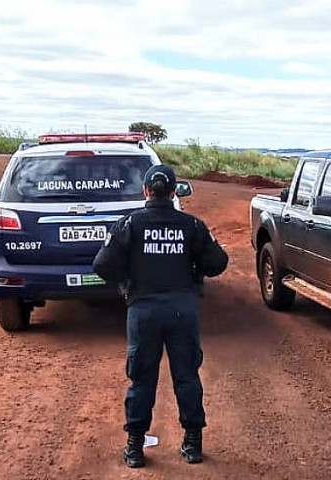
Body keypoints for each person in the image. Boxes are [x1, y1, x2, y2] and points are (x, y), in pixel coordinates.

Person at [93, 165, 228, 468]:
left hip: (143, 312)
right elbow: (218, 262)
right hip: (183, 311)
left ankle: (135, 448)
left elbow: (102, 265)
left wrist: (127, 279)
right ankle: (192, 445)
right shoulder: (192, 225)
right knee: (187, 377)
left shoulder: (129, 224)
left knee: (141, 380)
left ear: (145, 192)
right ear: (173, 192)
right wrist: (195, 266)